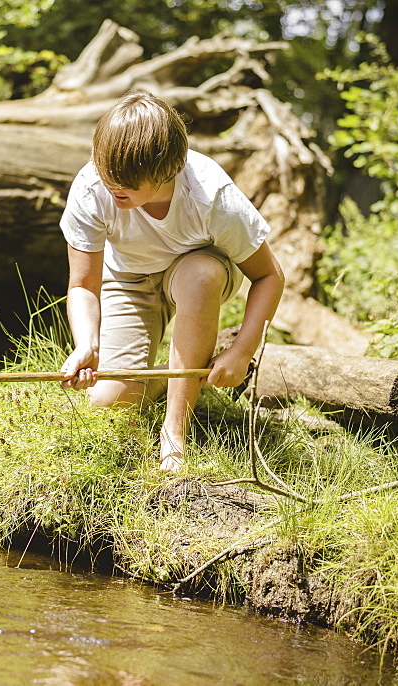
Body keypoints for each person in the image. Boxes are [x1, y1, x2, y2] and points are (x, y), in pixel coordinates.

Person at [58, 91, 284, 472]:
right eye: (107, 176)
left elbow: (268, 276)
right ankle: (168, 375)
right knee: (108, 401)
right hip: (129, 279)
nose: (114, 190)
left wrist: (243, 350)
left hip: (198, 272)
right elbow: (83, 284)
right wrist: (87, 344)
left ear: (171, 168)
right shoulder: (92, 187)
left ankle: (174, 433)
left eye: (127, 185)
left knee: (198, 274)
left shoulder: (211, 196)